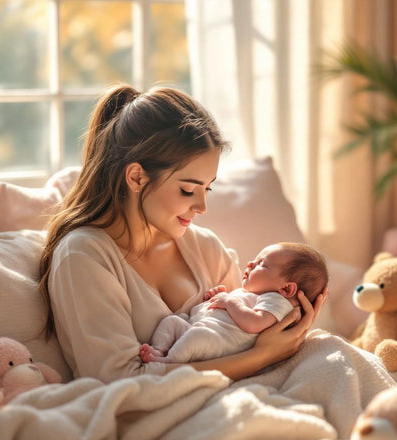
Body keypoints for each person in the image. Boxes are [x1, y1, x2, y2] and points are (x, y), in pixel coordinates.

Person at [39, 83, 327, 383]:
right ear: (136, 177)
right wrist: (262, 356)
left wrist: (292, 326)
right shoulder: (83, 256)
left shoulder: (204, 247)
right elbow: (120, 381)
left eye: (207, 188)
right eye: (188, 190)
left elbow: (252, 334)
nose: (202, 206)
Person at [139, 242, 328, 363]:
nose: (250, 264)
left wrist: (230, 303)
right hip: (198, 328)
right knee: (171, 321)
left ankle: (169, 362)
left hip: (217, 342)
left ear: (286, 289)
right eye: (255, 260)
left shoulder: (277, 302)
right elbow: (229, 308)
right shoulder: (252, 295)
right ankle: (159, 350)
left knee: (196, 337)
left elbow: (254, 323)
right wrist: (216, 297)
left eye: (262, 264)